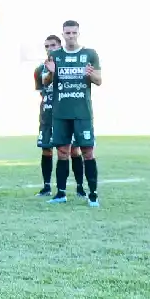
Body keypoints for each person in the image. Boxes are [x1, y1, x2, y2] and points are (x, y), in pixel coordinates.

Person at [41, 21, 103, 207]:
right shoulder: (55, 55)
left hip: (82, 112)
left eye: (73, 32)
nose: (70, 36)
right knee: (62, 152)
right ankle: (61, 193)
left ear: (78, 33)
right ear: (63, 34)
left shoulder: (90, 54)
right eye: (67, 33)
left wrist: (90, 75)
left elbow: (99, 80)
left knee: (87, 152)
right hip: (60, 113)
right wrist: (51, 73)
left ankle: (92, 194)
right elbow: (45, 81)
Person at [33, 35, 63, 197]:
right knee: (46, 149)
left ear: (60, 46)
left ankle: (79, 187)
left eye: (53, 45)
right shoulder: (40, 69)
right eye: (47, 46)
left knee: (69, 151)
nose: (50, 48)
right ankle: (46, 186)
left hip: (65, 115)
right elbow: (42, 93)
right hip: (46, 114)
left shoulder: (67, 65)